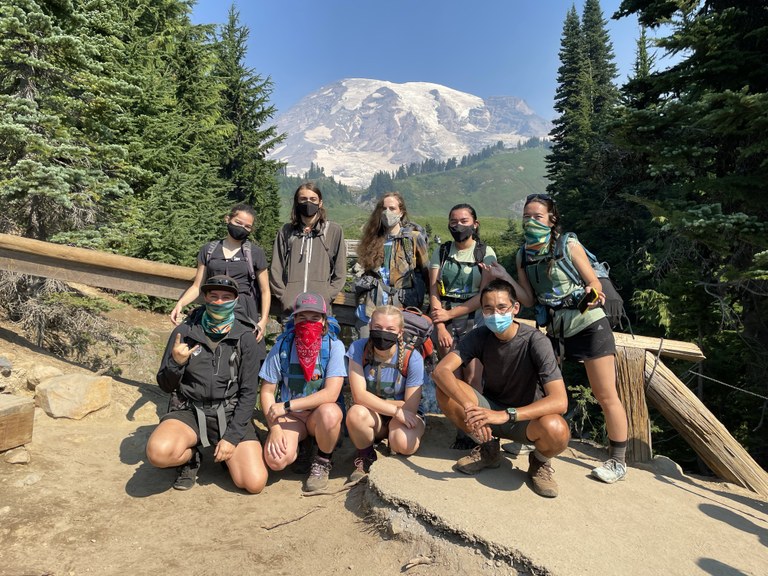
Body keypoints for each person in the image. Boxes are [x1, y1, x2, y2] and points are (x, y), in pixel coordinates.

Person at [488, 193, 629, 484]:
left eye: (537, 216)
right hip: (554, 330)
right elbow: (527, 298)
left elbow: (592, 281)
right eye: (526, 216)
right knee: (540, 391)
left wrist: (591, 297)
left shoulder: (568, 244)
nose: (530, 222)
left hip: (588, 324)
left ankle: (618, 460)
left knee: (605, 394)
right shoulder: (523, 255)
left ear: (552, 219)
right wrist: (506, 276)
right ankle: (531, 436)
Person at [432, 279, 570, 498]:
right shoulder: (479, 335)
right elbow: (441, 371)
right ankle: (488, 449)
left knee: (557, 428)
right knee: (445, 390)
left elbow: (560, 401)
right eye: (488, 308)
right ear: (482, 311)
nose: (495, 314)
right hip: (489, 411)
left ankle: (539, 462)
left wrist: (506, 415)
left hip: (525, 420)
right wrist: (470, 407)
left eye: (501, 307)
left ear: (515, 308)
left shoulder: (535, 341)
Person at [147, 275, 268, 493]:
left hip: (230, 411)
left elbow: (250, 393)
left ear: (236, 300)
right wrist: (176, 364)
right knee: (158, 453)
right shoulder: (184, 332)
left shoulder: (245, 337)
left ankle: (226, 452)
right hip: (190, 411)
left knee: (254, 483)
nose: (219, 302)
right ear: (205, 298)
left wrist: (231, 438)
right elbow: (165, 385)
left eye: (226, 297)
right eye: (214, 297)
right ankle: (190, 458)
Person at [259, 292, 346, 493]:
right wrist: (274, 428)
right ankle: (303, 445)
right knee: (276, 461)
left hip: (317, 415)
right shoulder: (282, 345)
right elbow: (267, 391)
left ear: (324, 320)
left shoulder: (334, 346)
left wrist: (287, 405)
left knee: (330, 413)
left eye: (315, 318)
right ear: (294, 319)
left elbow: (331, 394)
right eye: (302, 317)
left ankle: (322, 460)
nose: (309, 323)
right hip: (292, 418)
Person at [428, 203, 496, 449]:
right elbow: (433, 289)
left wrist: (450, 314)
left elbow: (484, 294)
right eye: (453, 221)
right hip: (445, 321)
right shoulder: (442, 251)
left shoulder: (485, 253)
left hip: (475, 320)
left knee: (473, 377)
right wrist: (441, 325)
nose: (458, 226)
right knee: (451, 376)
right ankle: (461, 428)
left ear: (475, 224)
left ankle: (476, 430)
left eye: (464, 221)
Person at [169, 204, 270, 359]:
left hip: (244, 310)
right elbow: (197, 285)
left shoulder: (255, 253)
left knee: (246, 355)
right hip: (214, 307)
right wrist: (180, 304)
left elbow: (265, 290)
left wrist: (263, 320)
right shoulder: (209, 250)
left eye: (247, 226)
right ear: (227, 219)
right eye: (238, 223)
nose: (242, 228)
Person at [345, 306, 426, 484]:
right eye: (378, 327)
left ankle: (392, 440)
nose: (383, 333)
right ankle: (366, 457)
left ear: (400, 332)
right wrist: (396, 409)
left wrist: (373, 401)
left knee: (403, 443)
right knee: (356, 414)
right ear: (370, 326)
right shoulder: (359, 348)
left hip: (407, 416)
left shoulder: (412, 357)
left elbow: (411, 407)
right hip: (379, 416)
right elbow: (359, 396)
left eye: (390, 329)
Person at [353, 192, 430, 337]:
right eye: (383, 208)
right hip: (371, 308)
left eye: (392, 208)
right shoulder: (372, 239)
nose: (387, 212)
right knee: (366, 348)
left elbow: (426, 272)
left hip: (402, 308)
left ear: (401, 212)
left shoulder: (413, 238)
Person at [270, 182, 347, 320]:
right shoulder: (286, 231)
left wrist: (327, 295)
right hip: (292, 310)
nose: (308, 203)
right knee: (291, 342)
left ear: (320, 203)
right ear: (297, 202)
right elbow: (276, 268)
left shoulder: (334, 231)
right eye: (303, 199)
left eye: (313, 199)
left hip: (320, 311)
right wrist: (284, 296)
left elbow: (340, 272)